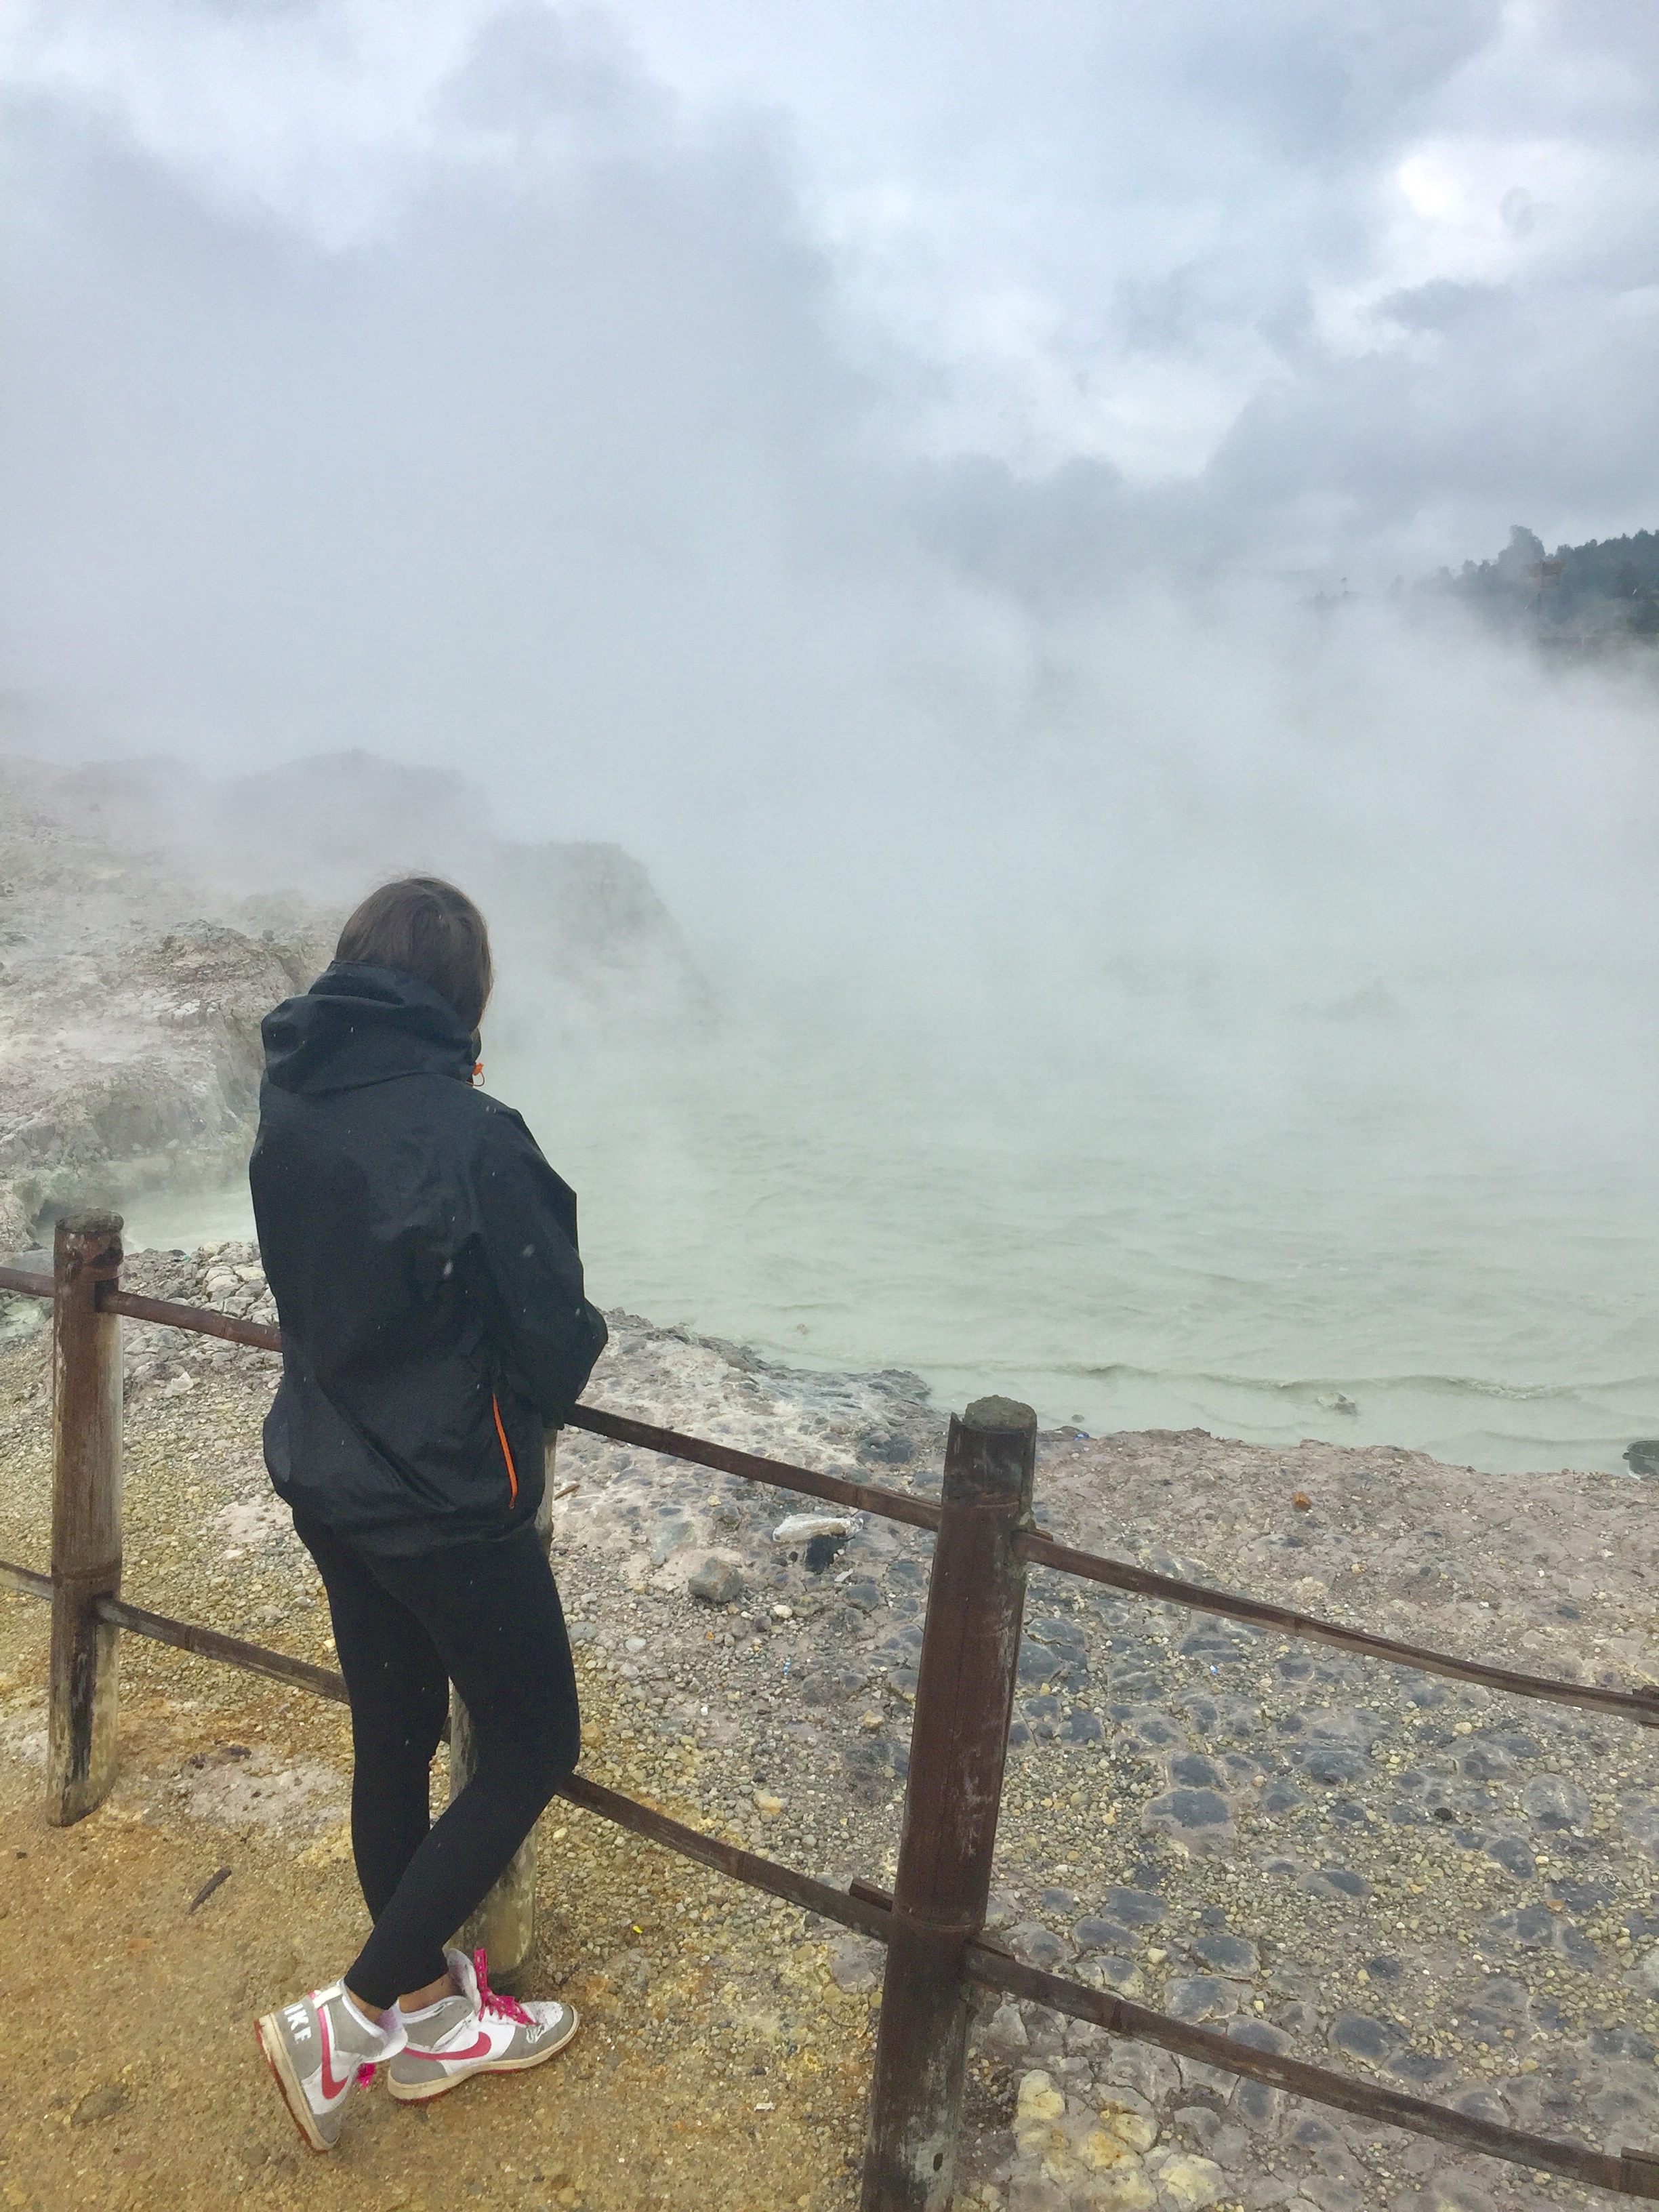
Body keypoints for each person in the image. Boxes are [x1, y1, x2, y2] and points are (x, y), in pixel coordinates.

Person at [247, 876, 608, 2152]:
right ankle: (350, 2021)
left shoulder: (292, 1098)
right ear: (466, 998)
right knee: (534, 1745)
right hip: (448, 1503)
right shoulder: (477, 1135)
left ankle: (424, 2019)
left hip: (326, 1475)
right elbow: (557, 1337)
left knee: (394, 1739)